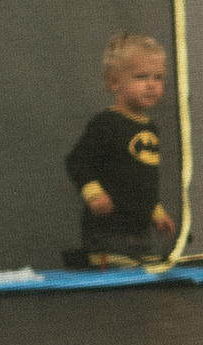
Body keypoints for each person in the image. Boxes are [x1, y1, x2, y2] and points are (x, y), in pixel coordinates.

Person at [66, 32, 179, 266]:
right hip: (108, 232)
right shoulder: (107, 123)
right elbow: (76, 160)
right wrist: (93, 192)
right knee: (125, 259)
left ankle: (130, 254)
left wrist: (157, 212)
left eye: (158, 78)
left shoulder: (151, 128)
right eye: (141, 77)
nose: (151, 85)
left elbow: (144, 181)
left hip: (139, 234)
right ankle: (100, 255)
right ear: (114, 82)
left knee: (148, 264)